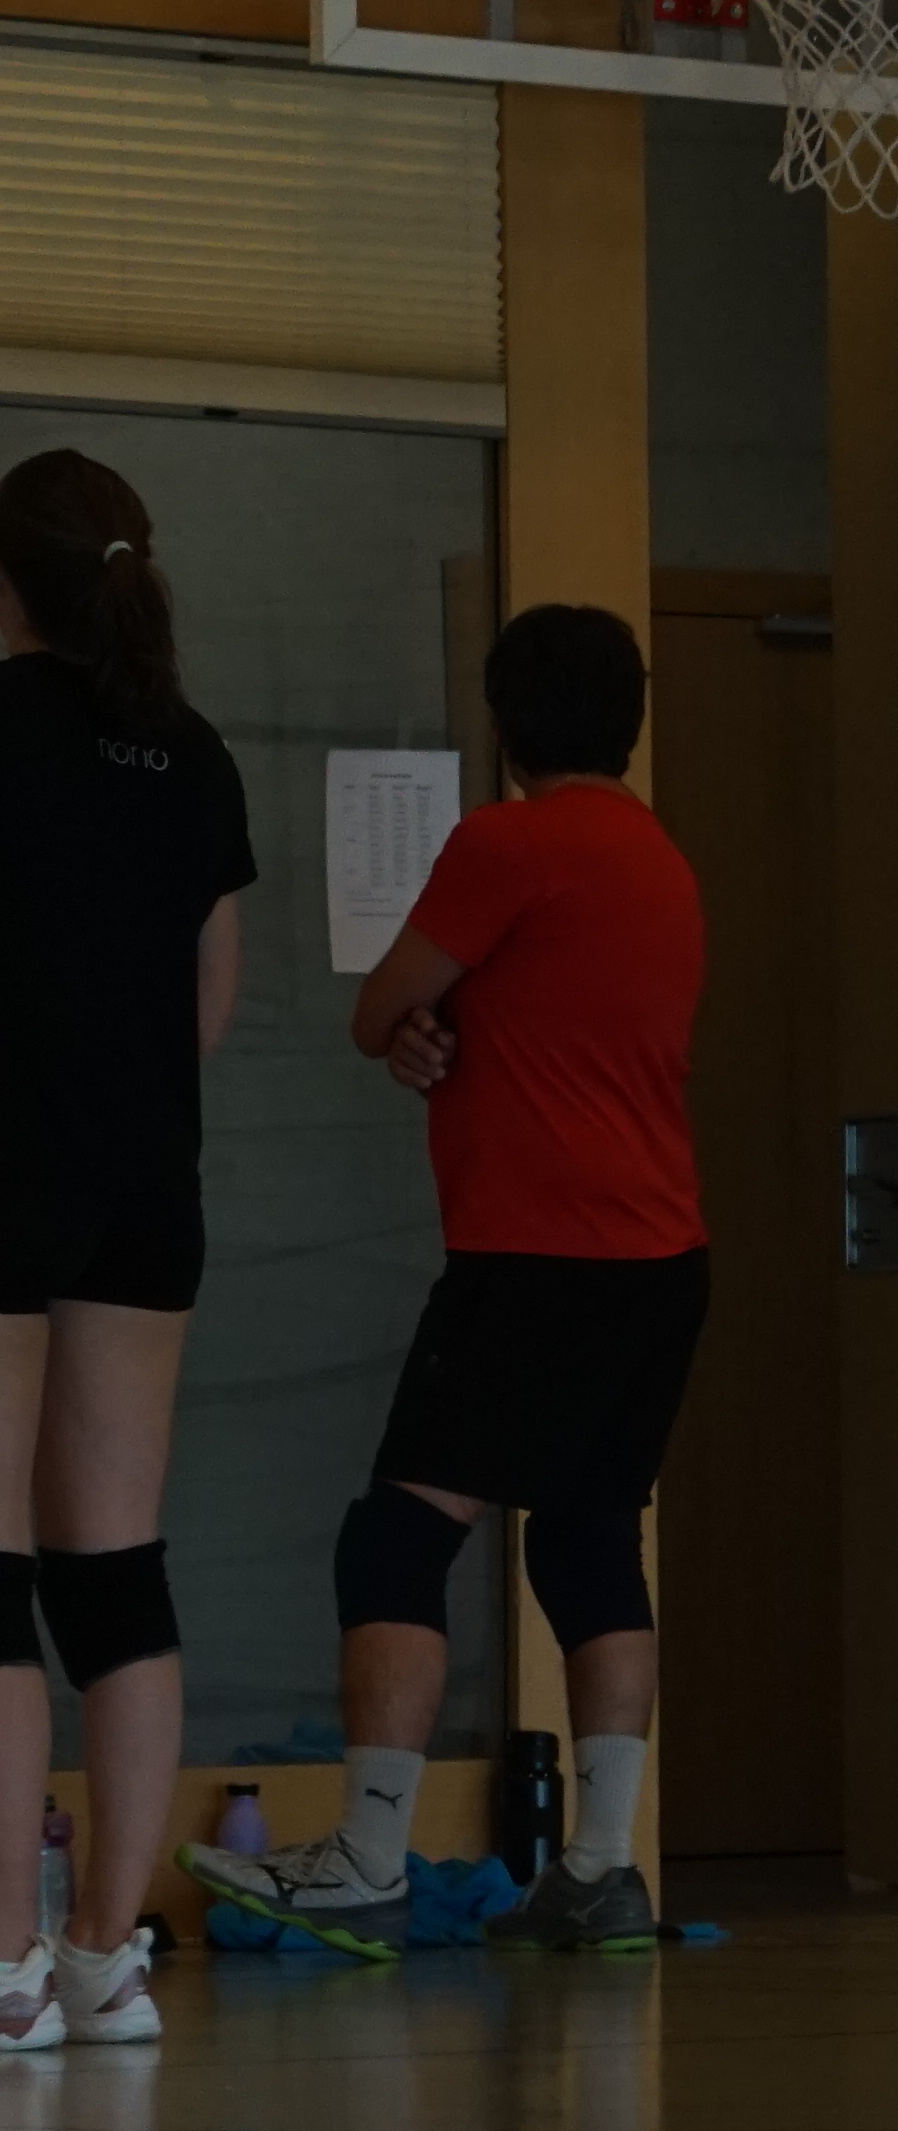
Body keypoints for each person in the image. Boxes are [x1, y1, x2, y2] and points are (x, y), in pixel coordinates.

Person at [182, 604, 705, 1962]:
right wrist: (446, 1028)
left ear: (506, 721)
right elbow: (533, 1016)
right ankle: (603, 1867)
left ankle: (364, 1858)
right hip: (661, 1260)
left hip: (535, 1257)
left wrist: (418, 1024)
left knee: (397, 1539)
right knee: (588, 1543)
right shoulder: (662, 862)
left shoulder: (507, 844)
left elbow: (377, 1008)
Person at [0, 451, 252, 2049]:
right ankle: (104, 1957)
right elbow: (210, 994)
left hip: (5, 1168)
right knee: (115, 1571)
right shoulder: (193, 750)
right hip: (149, 1182)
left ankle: (3, 1970)